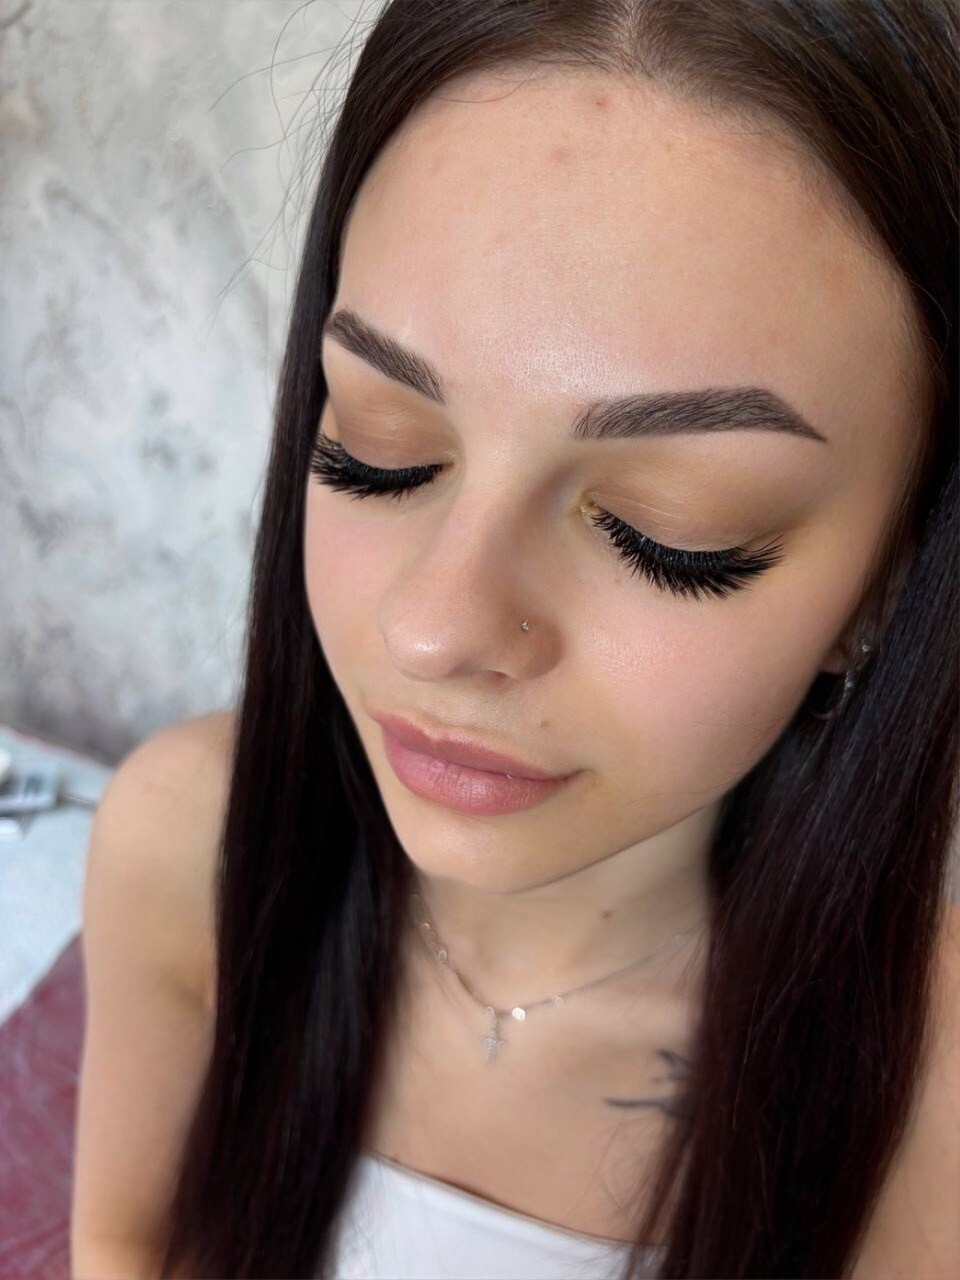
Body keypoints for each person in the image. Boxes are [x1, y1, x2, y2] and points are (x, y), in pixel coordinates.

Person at [70, 1, 959, 1277]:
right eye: (380, 450)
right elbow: (129, 1238)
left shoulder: (928, 1085)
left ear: (892, 583)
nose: (434, 629)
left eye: (669, 533)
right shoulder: (189, 841)